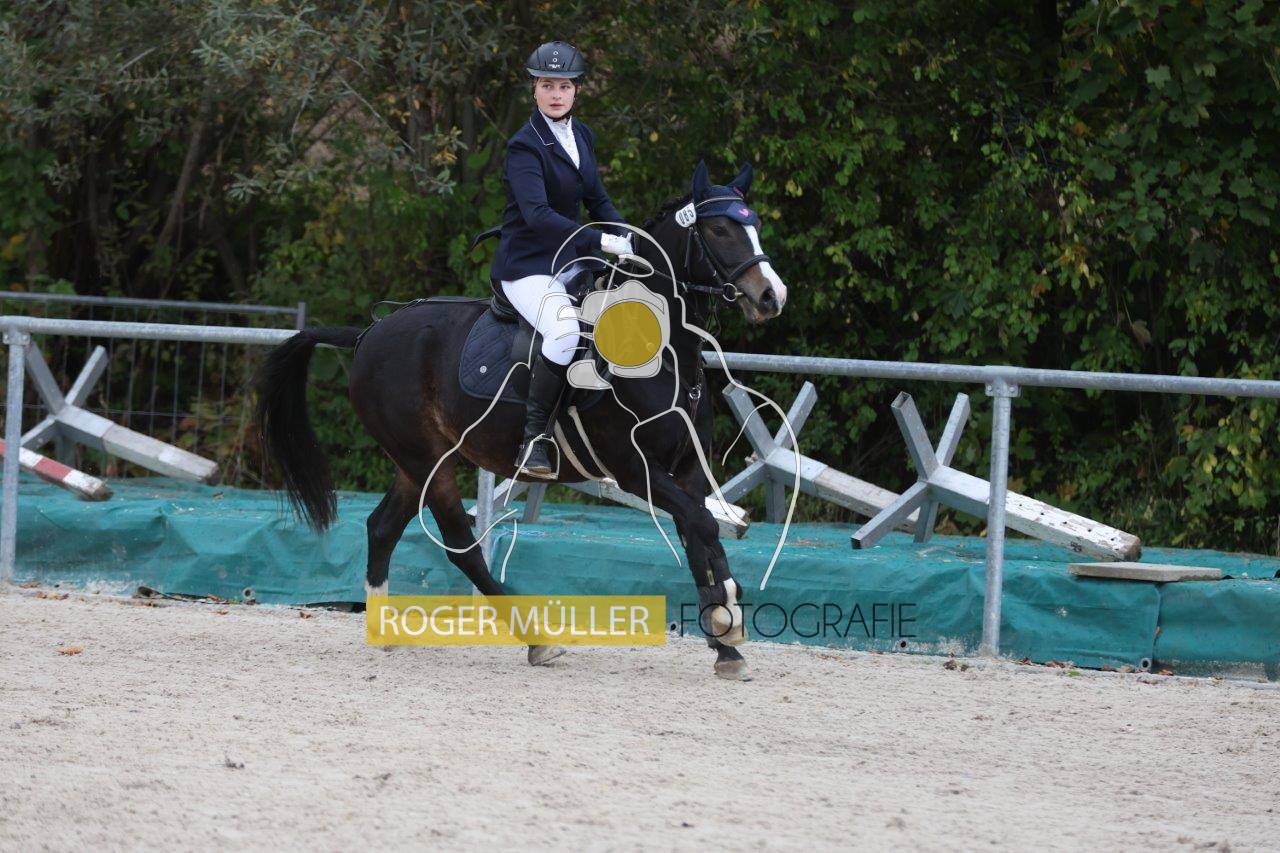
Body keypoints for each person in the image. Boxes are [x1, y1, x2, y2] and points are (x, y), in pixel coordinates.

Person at [489, 40, 632, 479]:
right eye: (547, 85)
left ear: (576, 90)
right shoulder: (523, 146)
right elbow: (537, 215)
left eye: (564, 86)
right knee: (566, 331)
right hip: (528, 266)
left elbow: (597, 199)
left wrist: (630, 235)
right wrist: (599, 239)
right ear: (534, 89)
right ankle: (534, 439)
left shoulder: (581, 134)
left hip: (570, 260)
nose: (556, 94)